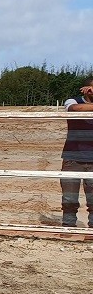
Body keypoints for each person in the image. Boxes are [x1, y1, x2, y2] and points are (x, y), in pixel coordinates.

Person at [60, 79, 93, 227]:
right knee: (69, 198)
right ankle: (68, 227)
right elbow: (74, 109)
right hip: (72, 157)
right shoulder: (72, 101)